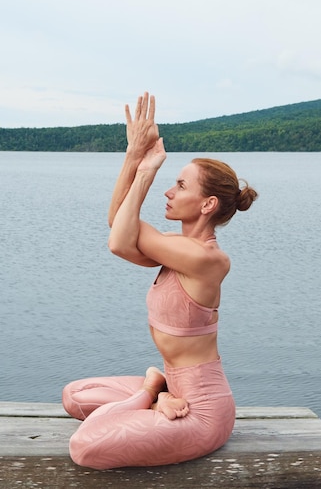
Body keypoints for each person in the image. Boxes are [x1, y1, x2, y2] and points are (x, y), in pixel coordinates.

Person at [62, 92, 258, 470]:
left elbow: (119, 240)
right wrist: (134, 156)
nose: (169, 192)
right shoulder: (173, 248)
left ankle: (153, 395)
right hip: (173, 386)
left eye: (181, 186)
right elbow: (119, 229)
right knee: (75, 396)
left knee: (84, 448)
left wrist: (147, 171)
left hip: (202, 411)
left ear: (207, 205)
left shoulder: (206, 259)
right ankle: (155, 392)